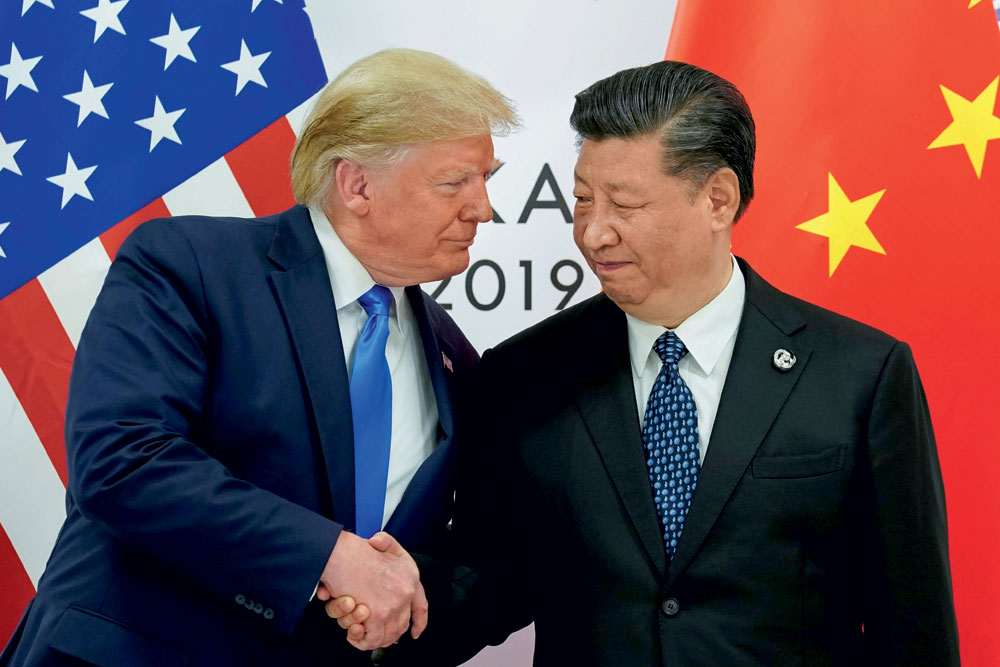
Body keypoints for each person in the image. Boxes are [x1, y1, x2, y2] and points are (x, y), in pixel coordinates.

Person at [333, 60, 960, 666]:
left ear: (717, 199)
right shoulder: (522, 376)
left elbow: (910, 623)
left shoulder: (861, 375)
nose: (593, 233)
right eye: (582, 200)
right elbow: (490, 575)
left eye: (624, 205)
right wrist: (396, 605)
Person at [0, 48, 517, 667]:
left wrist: (398, 594)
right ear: (357, 185)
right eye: (455, 181)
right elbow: (122, 459)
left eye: (487, 179)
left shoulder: (454, 355)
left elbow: (465, 561)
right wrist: (330, 557)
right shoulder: (190, 265)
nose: (482, 209)